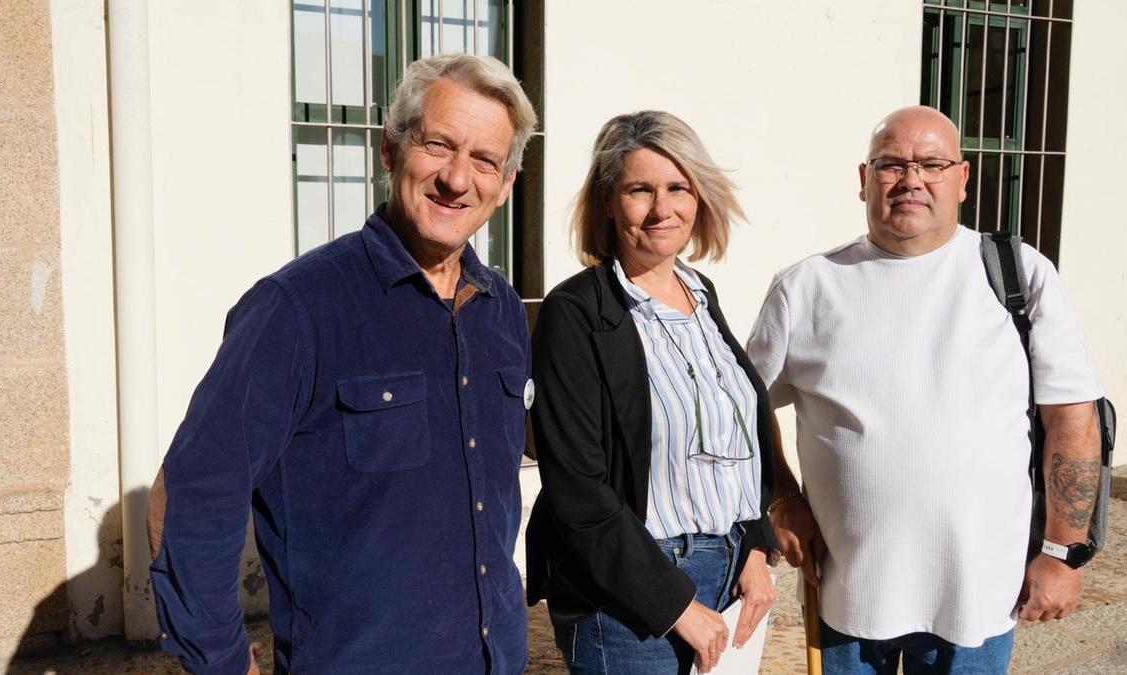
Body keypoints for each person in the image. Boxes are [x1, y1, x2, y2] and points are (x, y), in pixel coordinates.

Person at [145, 53, 538, 675]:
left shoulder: (503, 312)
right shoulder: (296, 309)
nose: (458, 179)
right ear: (390, 151)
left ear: (507, 183)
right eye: (438, 145)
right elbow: (191, 491)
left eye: (485, 160)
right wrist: (220, 661)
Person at [746, 105, 1103, 674]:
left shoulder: (1019, 275)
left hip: (977, 598)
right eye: (892, 165)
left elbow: (1072, 417)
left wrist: (1063, 553)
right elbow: (744, 404)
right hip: (848, 592)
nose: (911, 180)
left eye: (931, 164)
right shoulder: (807, 286)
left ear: (962, 178)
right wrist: (783, 498)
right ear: (864, 178)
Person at [525, 110, 780, 675]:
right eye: (640, 189)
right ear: (610, 202)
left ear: (700, 197)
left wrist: (757, 546)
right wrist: (674, 604)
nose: (662, 210)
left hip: (732, 575)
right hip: (628, 601)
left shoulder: (700, 293)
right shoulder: (577, 313)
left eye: (678, 188)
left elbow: (735, 442)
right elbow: (577, 489)